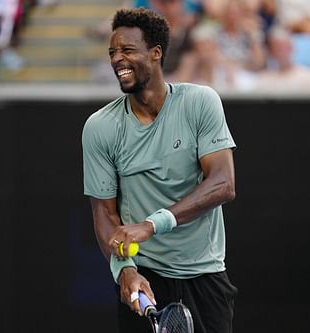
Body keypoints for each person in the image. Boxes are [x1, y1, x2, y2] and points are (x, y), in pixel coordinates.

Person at [82, 7, 238, 333]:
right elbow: (104, 214)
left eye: (127, 50)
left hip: (205, 276)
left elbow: (223, 183)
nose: (117, 60)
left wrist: (152, 225)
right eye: (112, 52)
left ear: (156, 53)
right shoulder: (99, 128)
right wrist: (124, 270)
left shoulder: (200, 102)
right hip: (145, 276)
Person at [254, 26, 310, 90]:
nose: (280, 52)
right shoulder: (263, 78)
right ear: (271, 52)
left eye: (284, 47)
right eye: (276, 48)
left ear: (292, 48)